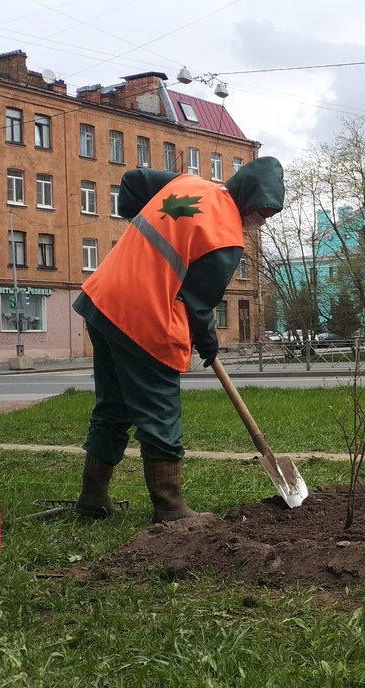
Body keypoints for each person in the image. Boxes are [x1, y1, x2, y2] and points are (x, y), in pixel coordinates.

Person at [72, 157, 284, 523]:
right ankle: (170, 507)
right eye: (261, 213)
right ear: (249, 200)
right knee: (160, 411)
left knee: (114, 407)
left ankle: (93, 497)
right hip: (144, 316)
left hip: (103, 297)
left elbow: (134, 180)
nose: (260, 221)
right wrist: (209, 341)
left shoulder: (187, 185)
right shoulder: (226, 237)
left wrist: (140, 230)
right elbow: (197, 307)